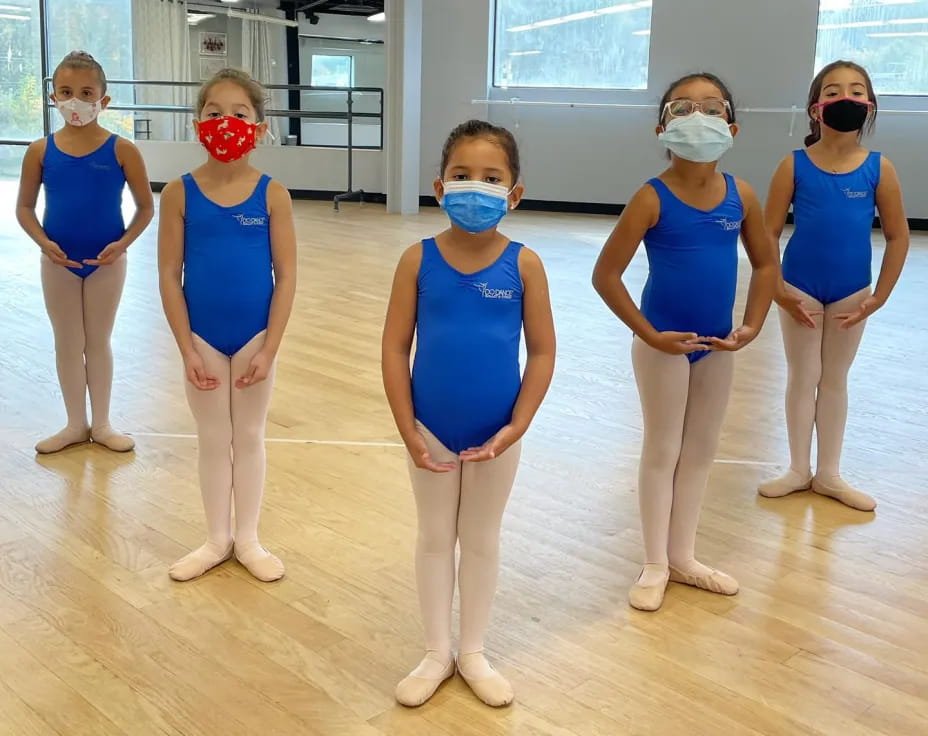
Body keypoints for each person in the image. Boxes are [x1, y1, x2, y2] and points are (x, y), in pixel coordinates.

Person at [382, 120, 556, 707]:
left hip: (496, 432)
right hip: (430, 429)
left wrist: (518, 425)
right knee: (435, 538)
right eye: (462, 175)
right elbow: (393, 347)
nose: (474, 186)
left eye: (491, 177)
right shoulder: (417, 259)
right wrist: (408, 428)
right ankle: (436, 651)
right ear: (439, 185)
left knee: (480, 539)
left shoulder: (524, 265)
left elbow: (543, 350)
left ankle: (474, 650)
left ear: (514, 193)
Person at [592, 73, 777, 612]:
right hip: (662, 344)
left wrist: (752, 324)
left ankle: (683, 556)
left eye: (712, 108)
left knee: (700, 451)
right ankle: (653, 562)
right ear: (662, 129)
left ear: (732, 127)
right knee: (663, 448)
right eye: (683, 108)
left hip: (718, 345)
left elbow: (766, 263)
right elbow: (606, 274)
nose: (699, 116)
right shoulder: (651, 198)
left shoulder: (741, 194)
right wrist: (650, 335)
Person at [158, 69, 297, 582]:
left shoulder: (272, 194)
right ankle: (217, 538)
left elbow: (286, 278)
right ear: (198, 123)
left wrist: (270, 348)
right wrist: (187, 350)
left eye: (239, 114)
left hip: (256, 337)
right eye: (214, 113)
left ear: (258, 128)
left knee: (251, 435)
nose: (226, 123)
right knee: (214, 438)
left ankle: (249, 539)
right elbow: (170, 277)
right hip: (203, 338)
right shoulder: (178, 192)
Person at [758, 61, 909, 513]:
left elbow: (899, 235)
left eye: (857, 90)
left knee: (835, 379)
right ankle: (798, 469)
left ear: (870, 106)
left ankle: (829, 474)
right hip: (799, 285)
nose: (846, 97)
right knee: (803, 377)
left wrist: (879, 296)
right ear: (815, 108)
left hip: (852, 291)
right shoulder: (794, 165)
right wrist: (778, 290)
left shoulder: (881, 169)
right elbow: (766, 234)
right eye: (834, 90)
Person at [16, 50, 154, 454]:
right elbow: (24, 207)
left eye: (85, 92)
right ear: (54, 97)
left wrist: (121, 245)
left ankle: (104, 423)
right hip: (57, 262)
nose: (74, 100)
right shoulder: (40, 151)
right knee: (66, 340)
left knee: (98, 340)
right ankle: (75, 423)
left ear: (103, 100)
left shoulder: (122, 150)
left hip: (105, 262)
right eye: (66, 91)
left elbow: (146, 207)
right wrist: (44, 244)